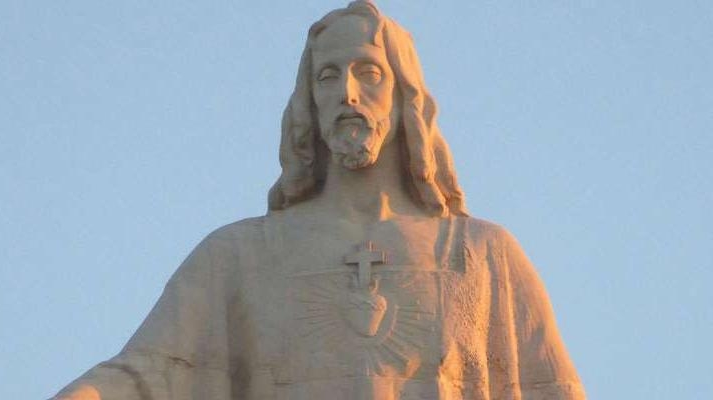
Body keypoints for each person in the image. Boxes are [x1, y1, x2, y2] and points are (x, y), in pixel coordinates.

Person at [53, 2, 585, 399]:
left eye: (368, 72)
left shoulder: (481, 255)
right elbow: (148, 373)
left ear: (405, 96)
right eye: (328, 76)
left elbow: (553, 389)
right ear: (309, 100)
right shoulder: (240, 255)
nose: (347, 93)